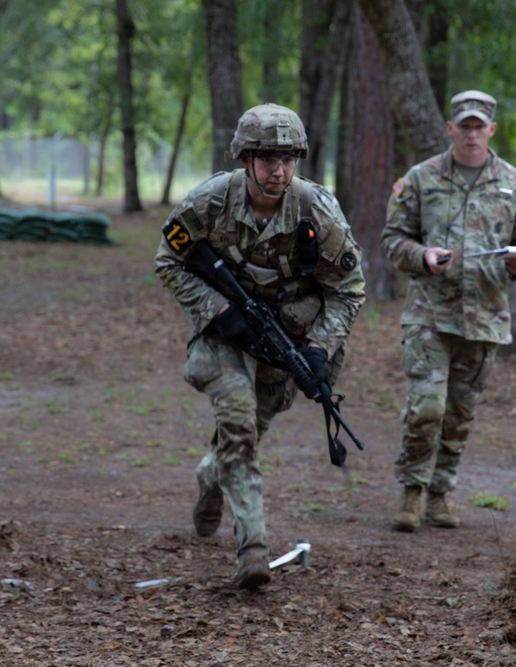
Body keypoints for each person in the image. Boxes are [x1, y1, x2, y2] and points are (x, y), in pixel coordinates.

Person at [154, 103, 366, 589]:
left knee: (245, 435)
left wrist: (317, 348)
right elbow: (169, 260)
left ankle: (211, 479)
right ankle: (253, 549)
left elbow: (349, 288)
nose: (280, 169)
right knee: (238, 427)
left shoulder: (316, 211)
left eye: (289, 158)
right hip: (225, 337)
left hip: (285, 341)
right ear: (245, 158)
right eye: (268, 158)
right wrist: (218, 311)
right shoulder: (210, 202)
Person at [381, 90, 516, 532]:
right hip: (430, 315)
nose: (472, 134)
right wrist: (423, 256)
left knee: (459, 413)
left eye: (480, 127)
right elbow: (393, 239)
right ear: (451, 129)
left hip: (485, 317)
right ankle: (412, 491)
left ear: (492, 130)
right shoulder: (420, 178)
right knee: (426, 406)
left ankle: (440, 493)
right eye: (464, 126)